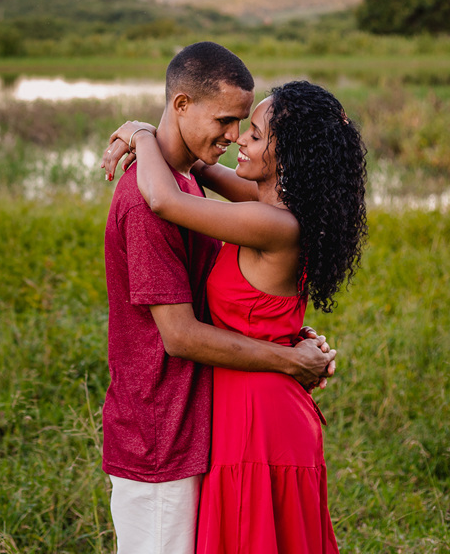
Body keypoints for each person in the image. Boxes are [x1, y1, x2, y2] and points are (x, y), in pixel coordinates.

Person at [106, 79, 367, 554]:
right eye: (237, 127)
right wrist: (156, 131)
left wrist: (140, 135)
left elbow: (165, 200)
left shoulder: (273, 222)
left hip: (258, 416)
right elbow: (198, 163)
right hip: (246, 405)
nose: (237, 139)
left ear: (287, 155)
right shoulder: (268, 205)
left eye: (254, 134)